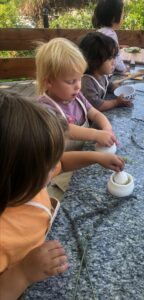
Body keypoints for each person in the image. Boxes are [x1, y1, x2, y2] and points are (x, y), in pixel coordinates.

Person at [0, 90, 125, 299]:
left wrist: (95, 157)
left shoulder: (26, 184)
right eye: (48, 167)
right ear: (15, 177)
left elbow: (63, 162)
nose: (54, 170)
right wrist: (22, 273)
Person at [35, 37, 117, 150]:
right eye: (71, 81)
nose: (78, 86)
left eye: (79, 78)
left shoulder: (77, 97)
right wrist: (96, 135)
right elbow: (67, 129)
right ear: (49, 81)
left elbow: (95, 114)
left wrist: (107, 129)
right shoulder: (44, 108)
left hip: (82, 152)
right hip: (63, 162)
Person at [79, 31, 132, 111]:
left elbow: (109, 86)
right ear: (94, 60)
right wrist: (116, 102)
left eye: (114, 57)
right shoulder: (86, 81)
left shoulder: (102, 75)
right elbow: (97, 106)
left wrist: (120, 91)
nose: (113, 62)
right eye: (110, 58)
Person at [92, 0, 129, 73]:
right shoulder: (111, 34)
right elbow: (116, 57)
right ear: (113, 18)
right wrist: (124, 69)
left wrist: (119, 46)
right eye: (122, 15)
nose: (123, 18)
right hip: (106, 74)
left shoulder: (100, 31)